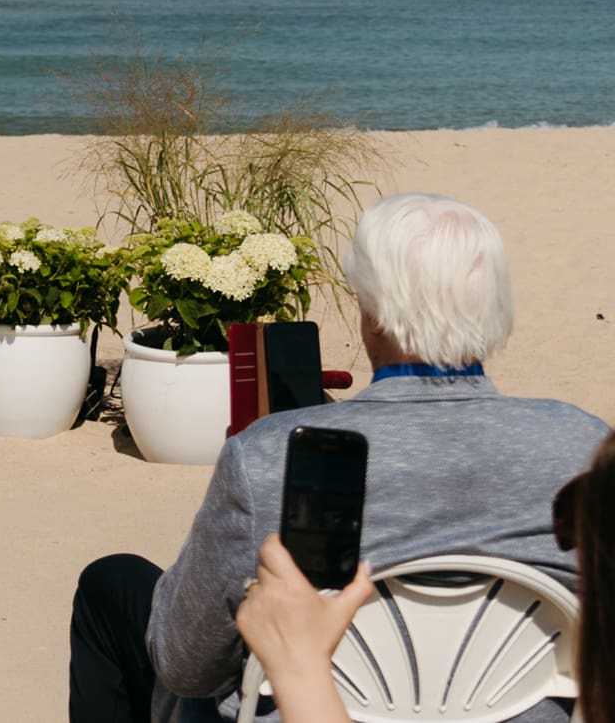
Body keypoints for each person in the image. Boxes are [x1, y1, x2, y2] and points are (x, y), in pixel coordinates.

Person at [68, 192, 609, 722]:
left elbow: (185, 665)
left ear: (371, 314)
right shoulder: (583, 445)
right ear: (495, 307)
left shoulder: (268, 453)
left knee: (112, 583)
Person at [236, 429, 615, 723]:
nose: (564, 536)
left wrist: (299, 666)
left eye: (573, 519)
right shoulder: (578, 431)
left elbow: (187, 667)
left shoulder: (253, 455)